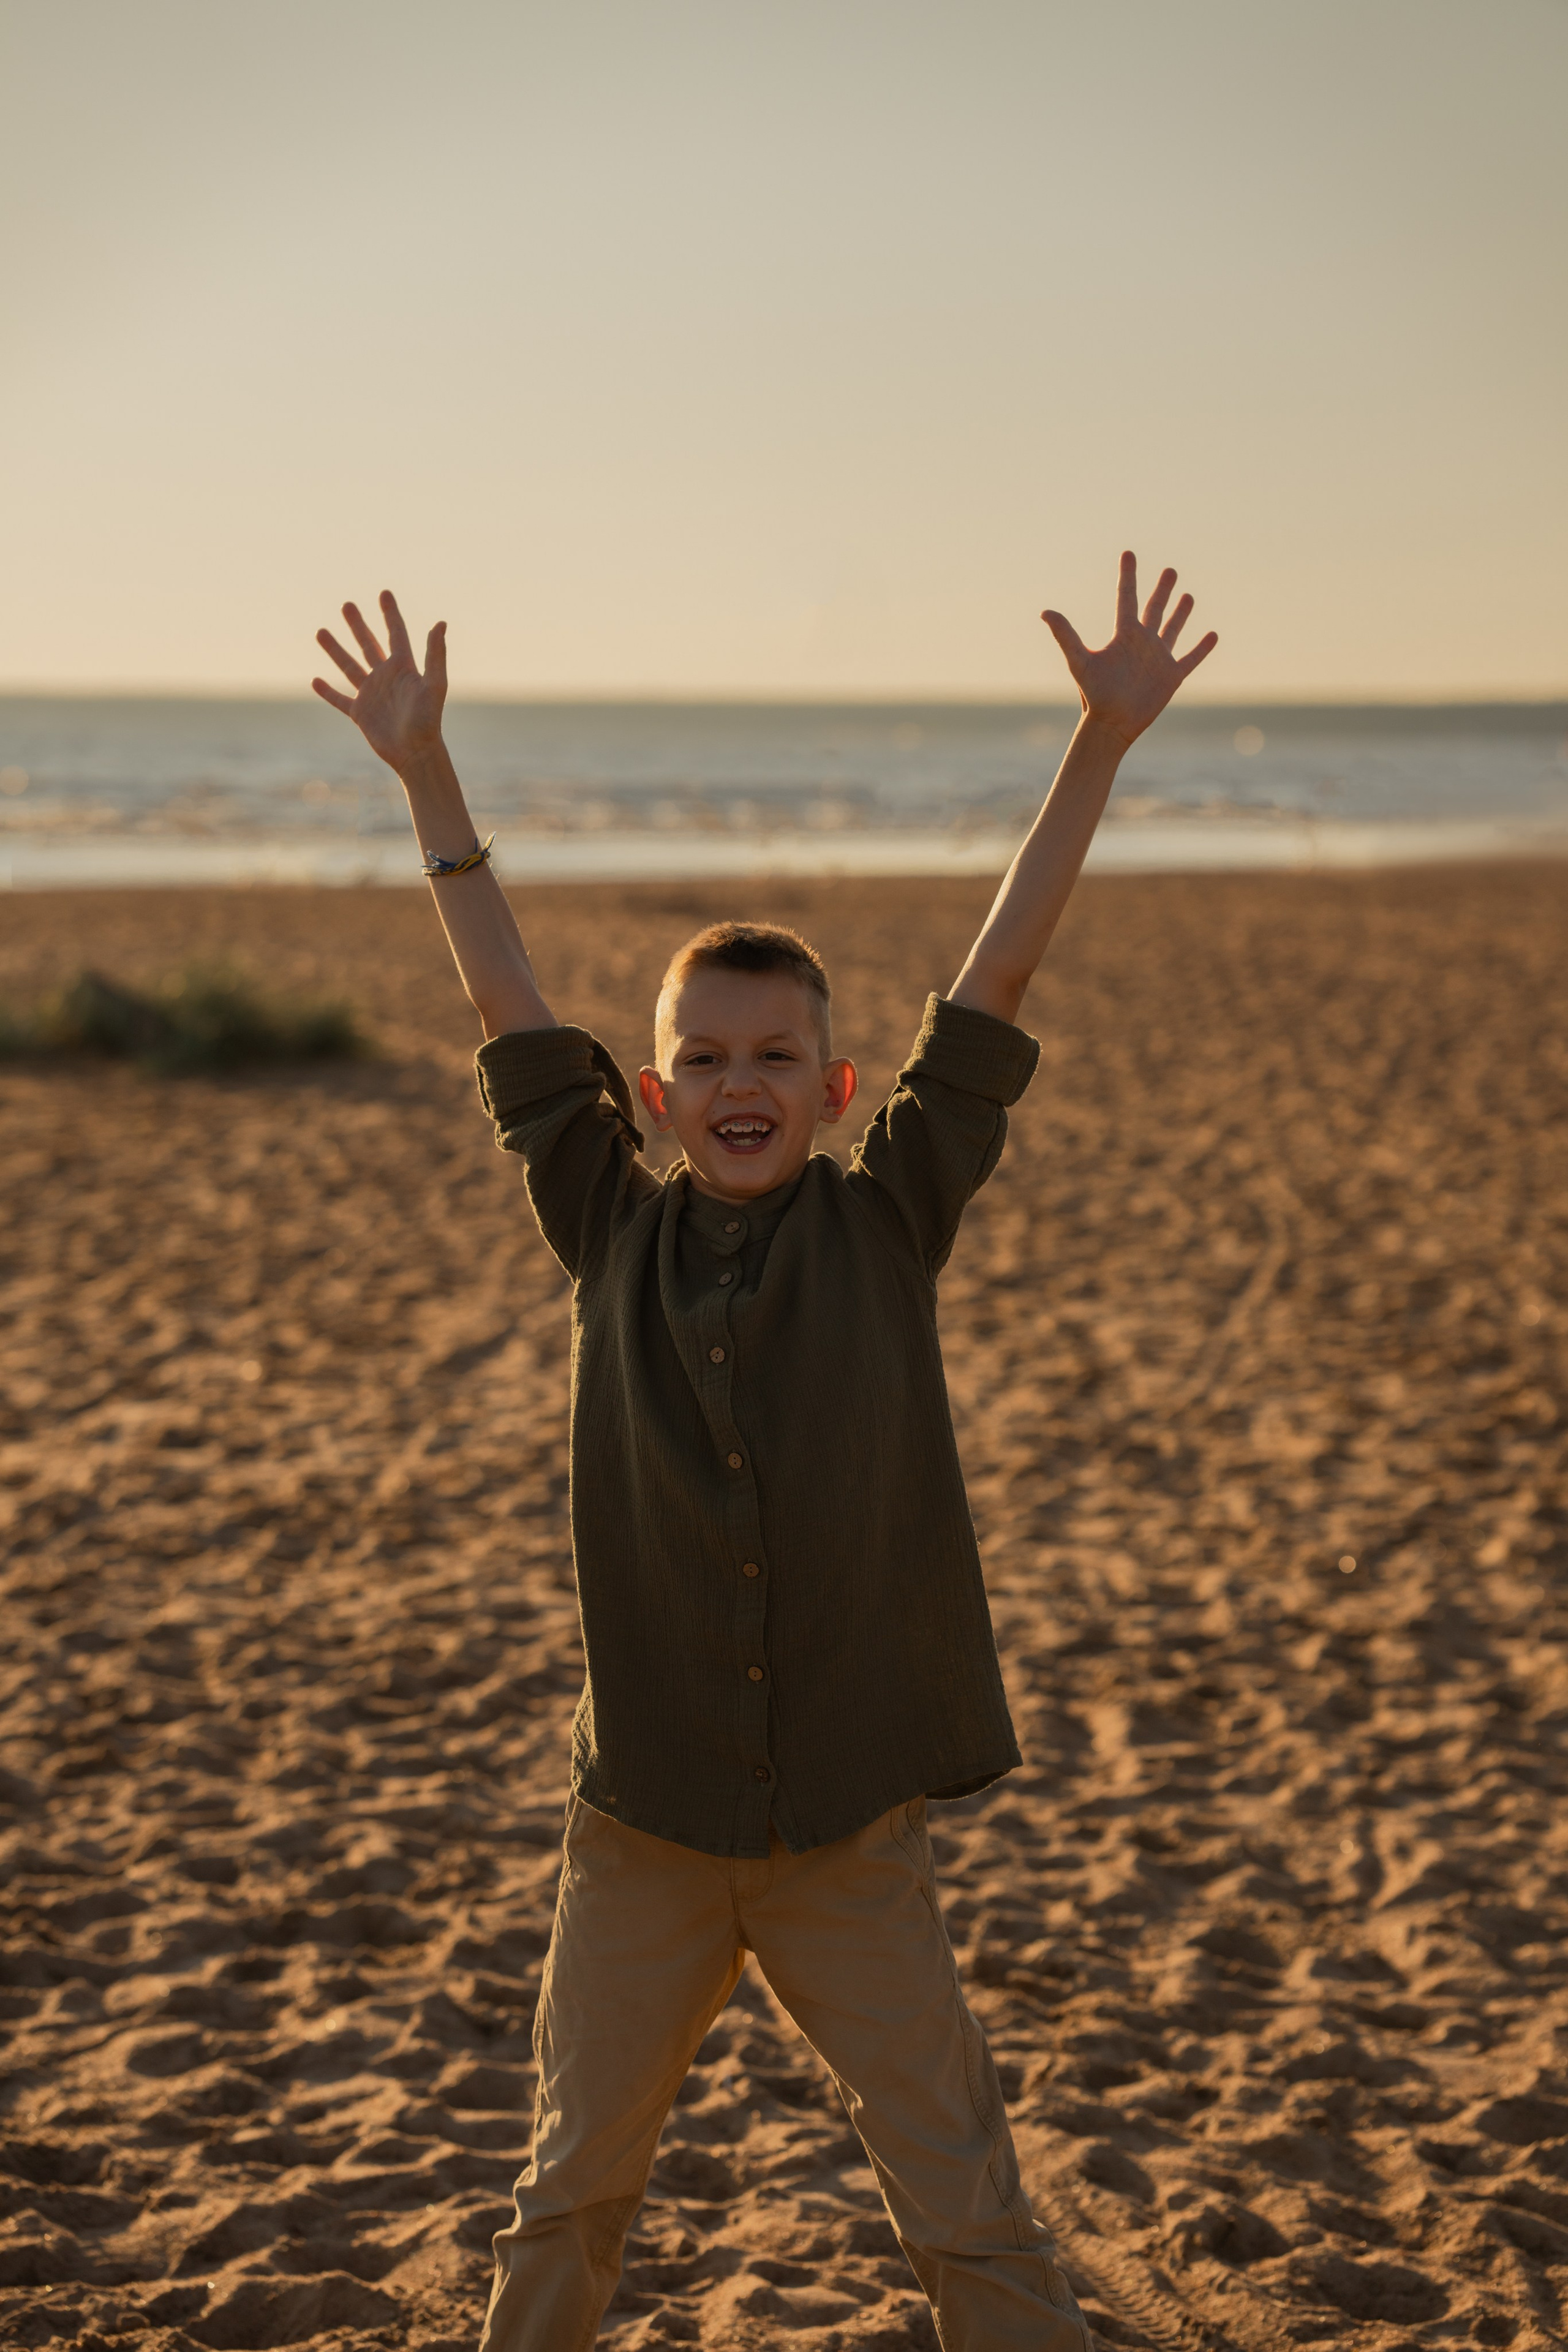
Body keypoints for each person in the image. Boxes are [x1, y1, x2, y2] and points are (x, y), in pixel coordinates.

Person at [312, 554, 1215, 2352]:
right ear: (653, 1098)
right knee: (570, 2193)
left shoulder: (894, 1221)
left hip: (843, 1832)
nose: (740, 1079)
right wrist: (430, 785)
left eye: (775, 1055)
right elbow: (508, 1008)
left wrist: (1098, 748)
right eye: (705, 1056)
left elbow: (1005, 965)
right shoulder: (606, 1222)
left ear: (836, 1084)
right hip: (640, 1821)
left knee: (965, 2204)